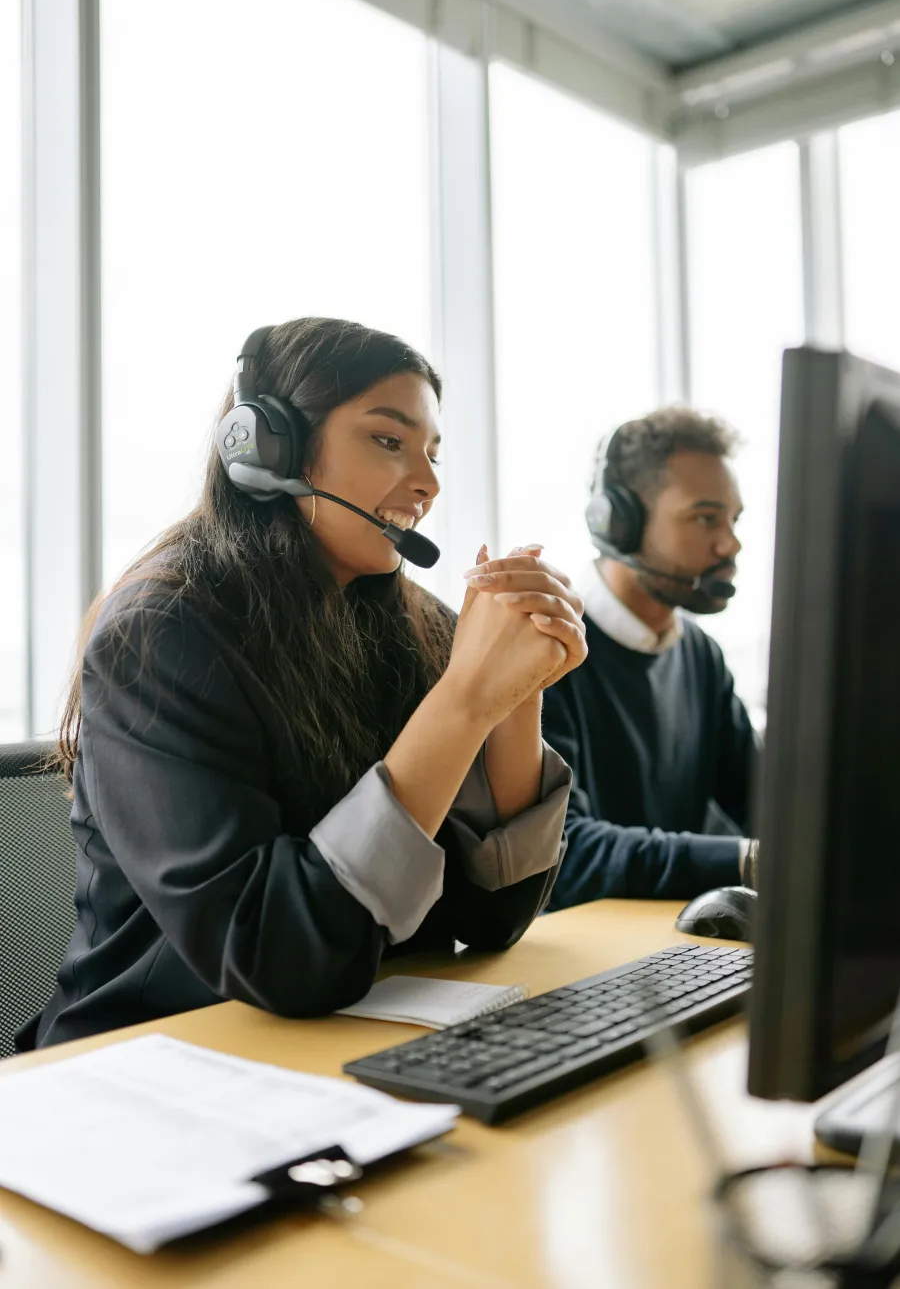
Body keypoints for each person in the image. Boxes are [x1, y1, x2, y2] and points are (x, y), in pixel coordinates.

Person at [23, 318, 587, 1049]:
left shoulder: (411, 626)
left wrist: (516, 692)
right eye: (389, 440)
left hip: (344, 1044)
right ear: (264, 448)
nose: (427, 481)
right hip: (156, 1055)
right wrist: (464, 700)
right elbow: (279, 957)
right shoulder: (164, 632)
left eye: (433, 453)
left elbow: (493, 920)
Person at [542, 406, 759, 908]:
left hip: (671, 949)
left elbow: (764, 802)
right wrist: (745, 860)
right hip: (583, 953)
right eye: (706, 517)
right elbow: (564, 852)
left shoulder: (700, 654)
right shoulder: (549, 649)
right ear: (619, 524)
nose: (731, 542)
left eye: (734, 519)